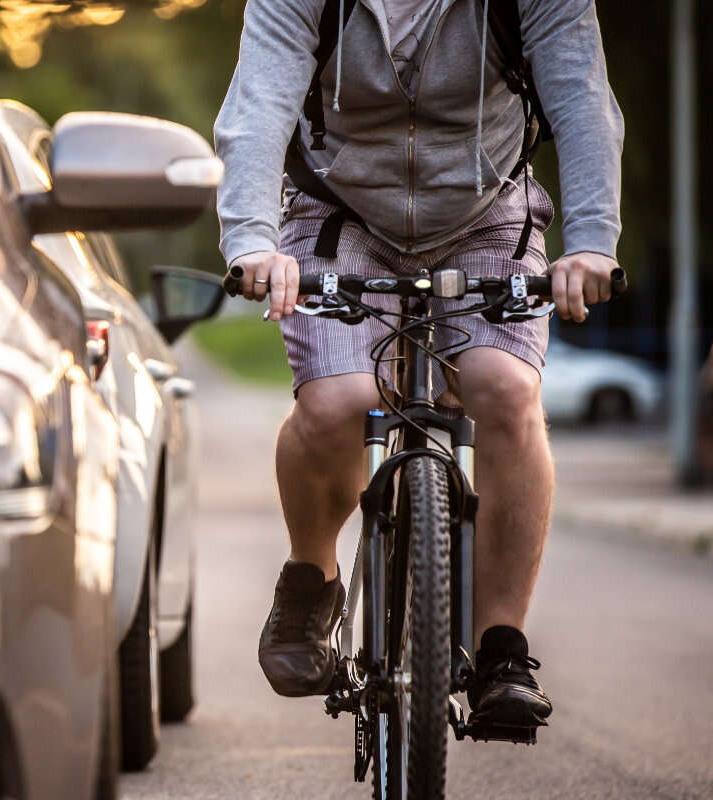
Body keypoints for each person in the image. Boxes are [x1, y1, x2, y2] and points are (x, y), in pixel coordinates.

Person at [214, 0, 622, 727]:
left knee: (504, 391)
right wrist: (251, 239)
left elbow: (582, 95)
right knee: (339, 403)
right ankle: (312, 577)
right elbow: (261, 98)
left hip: (486, 214)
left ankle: (501, 649)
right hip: (338, 214)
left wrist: (592, 239)